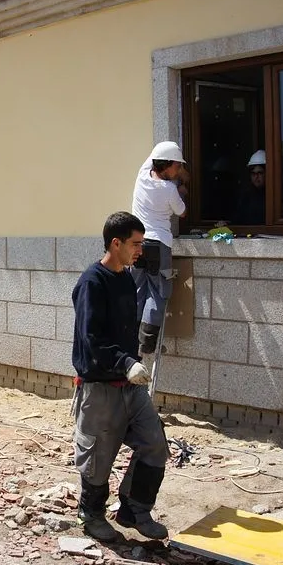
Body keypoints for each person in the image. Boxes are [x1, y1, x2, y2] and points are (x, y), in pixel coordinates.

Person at [71, 211, 170, 542]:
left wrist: (132, 363)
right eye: (135, 244)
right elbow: (91, 339)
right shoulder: (92, 283)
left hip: (130, 384)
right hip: (100, 386)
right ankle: (91, 515)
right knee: (98, 457)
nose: (140, 251)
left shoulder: (127, 278)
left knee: (154, 443)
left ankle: (135, 510)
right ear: (116, 243)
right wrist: (125, 362)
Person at [130, 141, 188, 362]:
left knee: (137, 290)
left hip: (138, 244)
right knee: (158, 292)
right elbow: (182, 212)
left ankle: (132, 337)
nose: (179, 170)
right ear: (167, 164)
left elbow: (154, 156)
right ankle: (147, 343)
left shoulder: (142, 176)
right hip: (159, 245)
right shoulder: (169, 189)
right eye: (177, 165)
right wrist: (182, 190)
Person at [232, 149, 266, 225]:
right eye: (253, 174)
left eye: (260, 173)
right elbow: (237, 220)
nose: (256, 177)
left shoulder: (273, 197)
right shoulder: (246, 196)